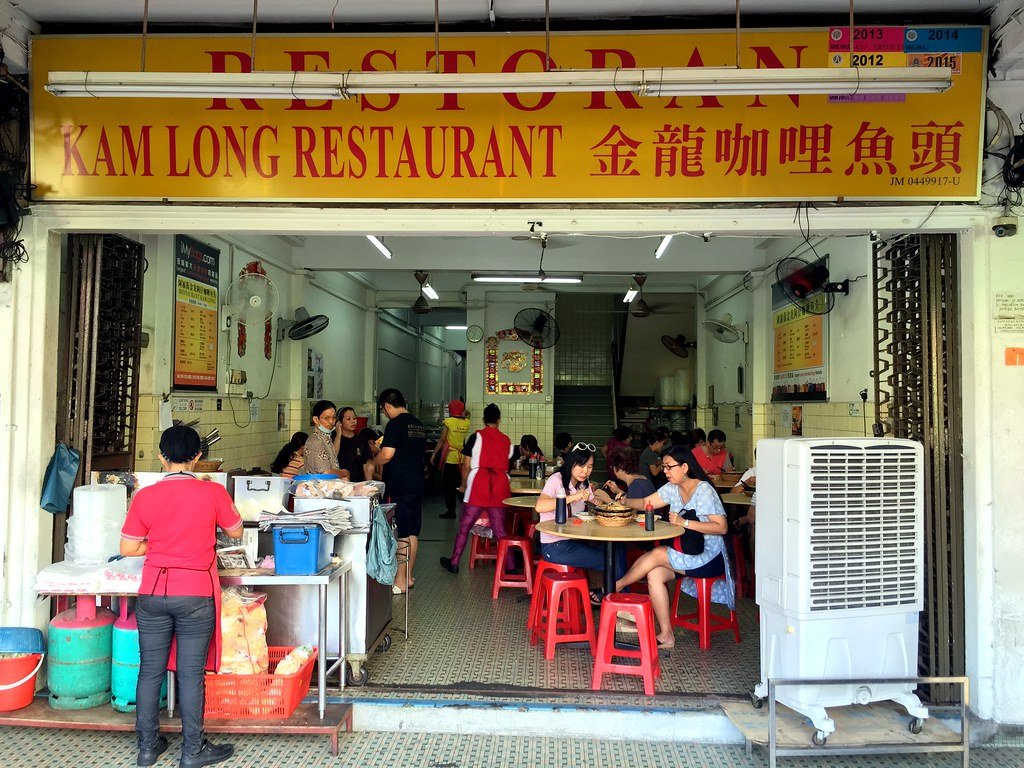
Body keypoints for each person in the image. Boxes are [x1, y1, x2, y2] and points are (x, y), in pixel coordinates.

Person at [119, 425, 243, 768]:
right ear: (198, 457)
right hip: (195, 594)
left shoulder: (145, 496)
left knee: (149, 671)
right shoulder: (212, 492)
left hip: (154, 592)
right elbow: (236, 530)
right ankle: (192, 751)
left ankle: (147, 748)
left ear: (161, 456)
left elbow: (128, 547)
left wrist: (156, 543)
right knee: (190, 675)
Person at [615, 445, 735, 650]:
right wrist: (625, 501)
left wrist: (684, 522)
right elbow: (646, 503)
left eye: (669, 467)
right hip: (686, 554)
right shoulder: (672, 488)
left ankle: (613, 587)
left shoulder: (703, 489)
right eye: (664, 467)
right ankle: (666, 635)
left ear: (685, 467)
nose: (665, 471)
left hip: (709, 557)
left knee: (658, 554)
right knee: (654, 574)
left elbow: (721, 527)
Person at [535, 444, 626, 604]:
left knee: (618, 550)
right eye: (581, 466)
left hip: (574, 540)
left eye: (590, 467)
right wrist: (573, 497)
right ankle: (619, 605)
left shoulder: (584, 483)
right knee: (611, 561)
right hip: (555, 545)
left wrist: (612, 501)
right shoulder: (556, 480)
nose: (585, 471)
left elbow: (595, 501)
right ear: (571, 463)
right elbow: (540, 506)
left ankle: (609, 596)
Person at [440, 403, 514, 573]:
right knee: (500, 530)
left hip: (478, 484)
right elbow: (506, 464)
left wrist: (464, 486)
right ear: (499, 420)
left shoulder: (476, 437)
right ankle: (510, 566)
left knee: (465, 526)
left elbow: (466, 466)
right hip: (500, 485)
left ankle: (454, 561)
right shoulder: (506, 440)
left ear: (483, 420)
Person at [374, 388, 428, 594]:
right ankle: (408, 577)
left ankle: (399, 581)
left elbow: (387, 454)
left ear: (387, 406)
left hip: (400, 484)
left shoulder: (395, 424)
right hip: (416, 483)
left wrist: (373, 462)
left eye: (384, 409)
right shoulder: (418, 424)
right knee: (413, 531)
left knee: (402, 533)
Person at [430, 400, 471, 519]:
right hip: (462, 457)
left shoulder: (449, 422)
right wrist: (464, 413)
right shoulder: (466, 423)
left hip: (450, 457)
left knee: (449, 486)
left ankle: (451, 510)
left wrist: (434, 454)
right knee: (461, 484)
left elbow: (442, 440)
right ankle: (466, 510)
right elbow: (468, 414)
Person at [302, 400, 349, 478]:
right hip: (319, 487)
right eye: (326, 418)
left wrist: (338, 435)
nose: (331, 422)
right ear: (316, 419)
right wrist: (344, 473)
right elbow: (326, 473)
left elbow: (332, 455)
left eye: (333, 418)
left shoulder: (325, 437)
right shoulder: (315, 441)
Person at [336, 407, 374, 482]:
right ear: (339, 423)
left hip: (358, 484)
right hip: (339, 484)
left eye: (354, 418)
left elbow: (367, 466)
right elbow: (332, 456)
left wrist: (369, 485)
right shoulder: (334, 440)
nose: (353, 421)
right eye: (348, 419)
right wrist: (338, 435)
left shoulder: (361, 440)